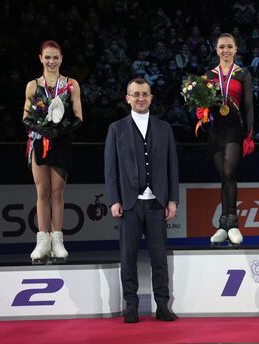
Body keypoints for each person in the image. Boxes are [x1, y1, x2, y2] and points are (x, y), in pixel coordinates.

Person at [104, 78, 179, 323]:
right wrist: (114, 199)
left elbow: (172, 168)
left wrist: (172, 200)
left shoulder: (164, 128)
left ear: (151, 97)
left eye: (144, 94)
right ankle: (132, 306)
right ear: (127, 98)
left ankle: (162, 306)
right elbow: (110, 168)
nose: (140, 98)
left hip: (157, 204)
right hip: (129, 204)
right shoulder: (116, 129)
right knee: (128, 258)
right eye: (135, 94)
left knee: (159, 258)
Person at [22, 40, 83, 264]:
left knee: (57, 193)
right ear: (40, 58)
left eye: (55, 57)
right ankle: (42, 242)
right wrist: (39, 127)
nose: (51, 61)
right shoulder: (32, 85)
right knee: (42, 192)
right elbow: (25, 116)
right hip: (39, 140)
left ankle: (58, 241)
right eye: (47, 57)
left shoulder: (71, 84)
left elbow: (79, 117)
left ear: (61, 59)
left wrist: (62, 130)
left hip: (61, 141)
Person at [206, 33, 254, 247]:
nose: (226, 50)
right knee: (222, 176)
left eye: (230, 47)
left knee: (228, 172)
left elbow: (249, 105)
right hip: (215, 131)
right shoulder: (209, 74)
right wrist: (202, 115)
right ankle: (223, 227)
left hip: (235, 130)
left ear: (236, 50)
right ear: (216, 50)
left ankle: (233, 222)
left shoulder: (243, 74)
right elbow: (202, 104)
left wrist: (249, 134)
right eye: (222, 47)